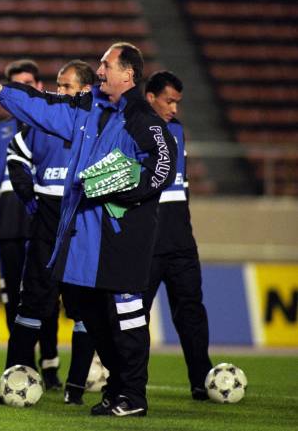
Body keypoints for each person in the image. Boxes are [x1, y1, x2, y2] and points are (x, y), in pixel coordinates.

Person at [0, 41, 177, 417]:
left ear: (127, 74)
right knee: (86, 309)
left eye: (106, 65)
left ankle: (133, 395)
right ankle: (118, 386)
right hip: (80, 235)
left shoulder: (143, 118)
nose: (99, 69)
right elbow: (43, 105)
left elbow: (162, 165)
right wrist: (2, 91)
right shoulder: (87, 107)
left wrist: (125, 187)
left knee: (124, 316)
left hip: (120, 235)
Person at [0, 60, 97, 406]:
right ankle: (12, 380)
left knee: (83, 307)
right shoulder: (40, 122)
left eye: (66, 86)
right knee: (32, 302)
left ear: (85, 90)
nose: (60, 91)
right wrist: (29, 196)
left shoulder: (99, 120)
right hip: (47, 219)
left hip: (82, 218)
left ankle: (76, 389)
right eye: (58, 85)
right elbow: (16, 158)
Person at [0, 59, 62, 390]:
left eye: (28, 84)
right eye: (16, 87)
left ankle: (50, 365)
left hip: (43, 221)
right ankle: (21, 366)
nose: (24, 90)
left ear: (39, 88)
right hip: (9, 226)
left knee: (47, 298)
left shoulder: (54, 125)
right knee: (15, 300)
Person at [143, 70, 213, 400]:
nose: (174, 109)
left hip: (181, 242)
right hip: (146, 243)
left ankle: (202, 380)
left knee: (191, 311)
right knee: (135, 315)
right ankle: (130, 382)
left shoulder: (177, 131)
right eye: (169, 101)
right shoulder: (134, 130)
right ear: (150, 98)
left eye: (178, 102)